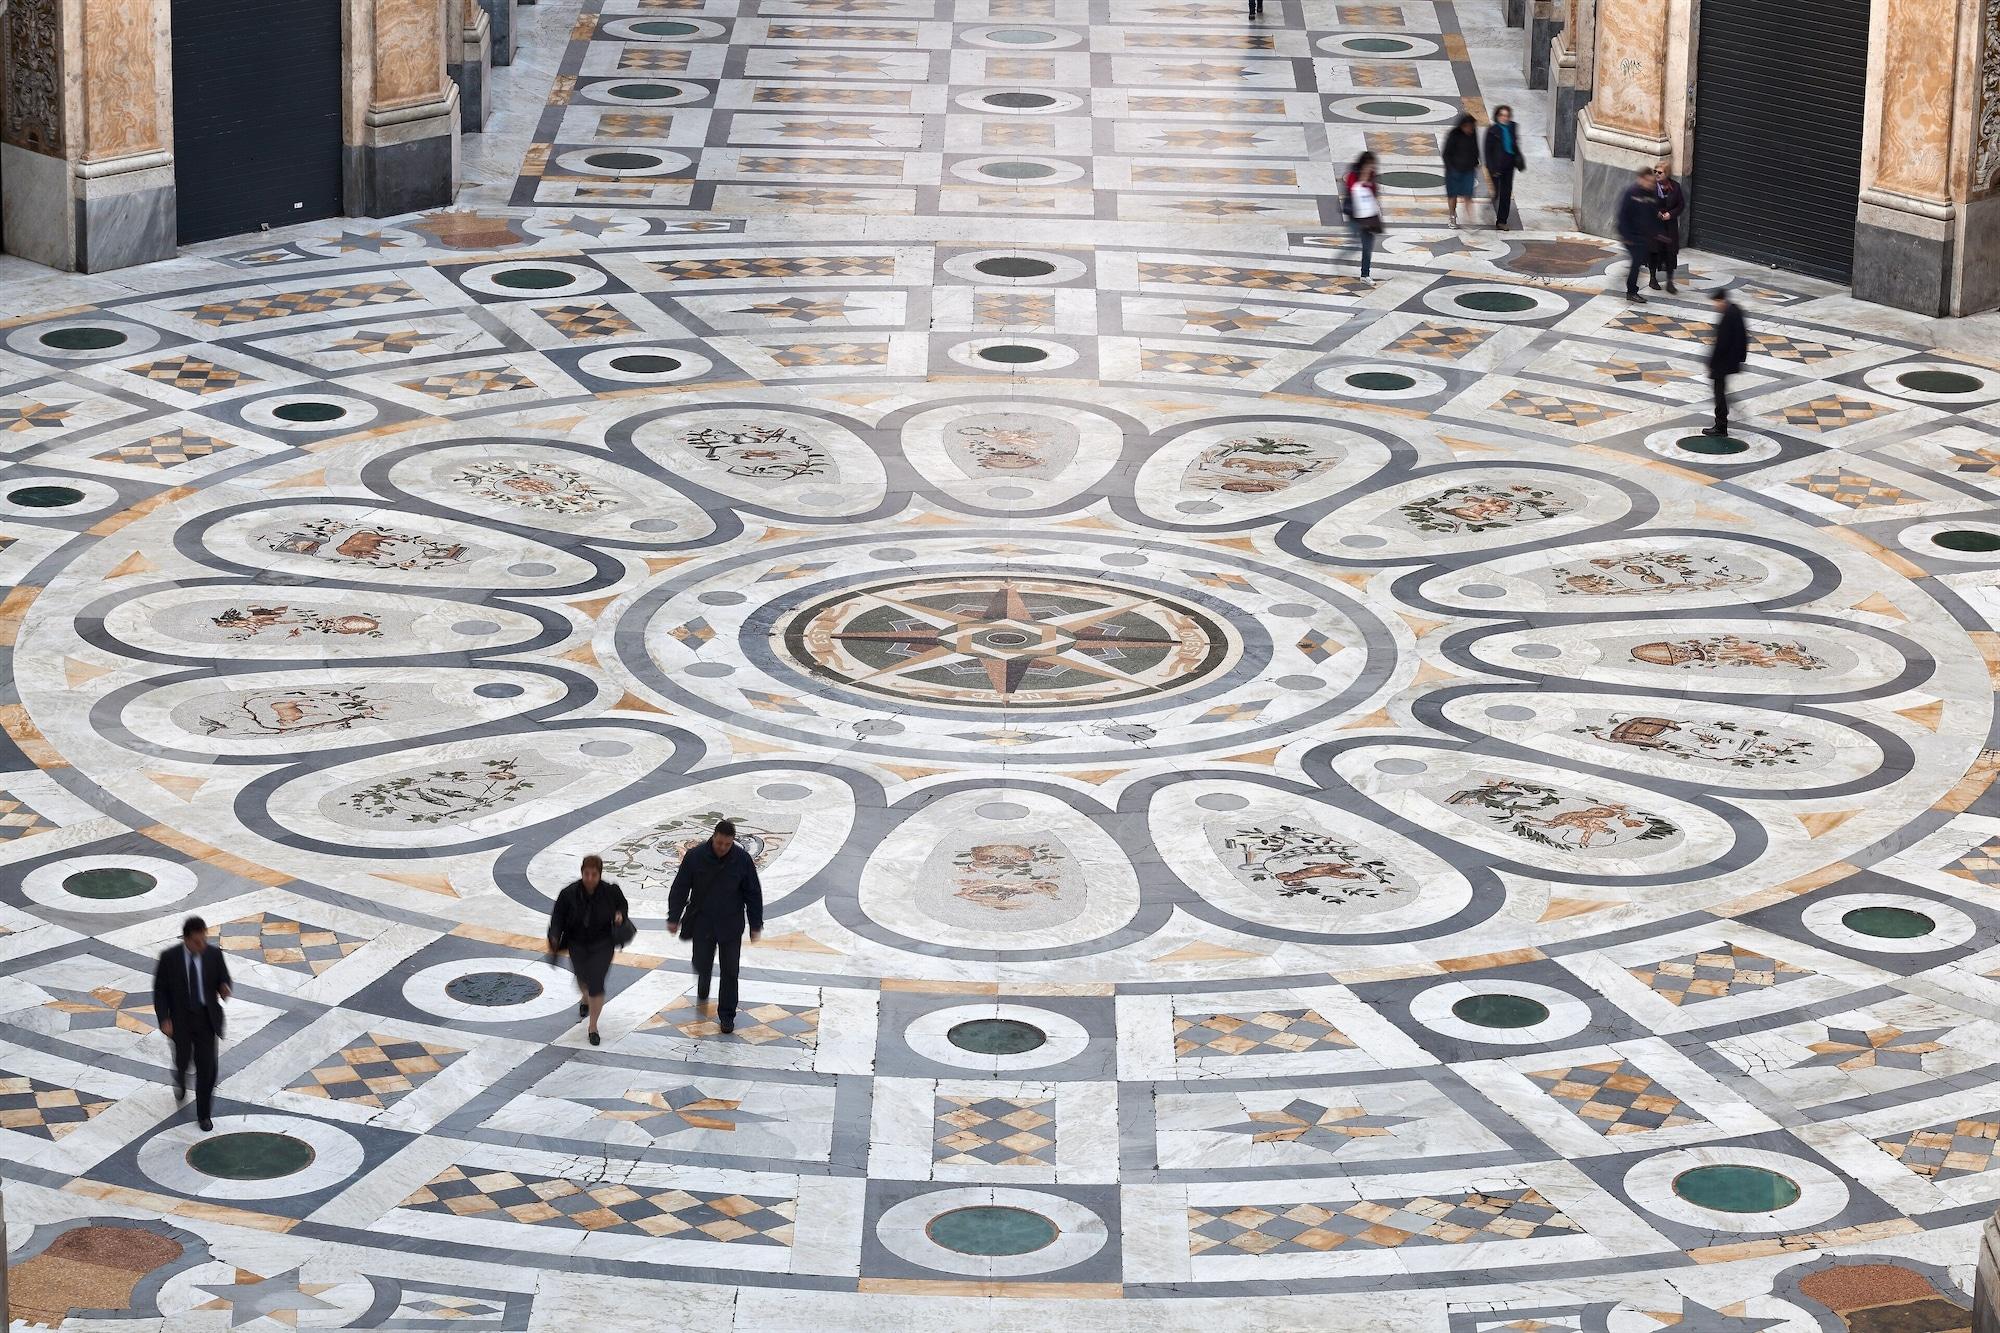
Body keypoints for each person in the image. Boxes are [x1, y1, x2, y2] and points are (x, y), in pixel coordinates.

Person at [666, 818, 764, 1035]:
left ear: (732, 842)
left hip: (730, 924)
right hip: (703, 922)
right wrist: (674, 917)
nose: (722, 848)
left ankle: (727, 1016)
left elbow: (753, 894)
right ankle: (704, 976)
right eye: (719, 843)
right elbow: (680, 888)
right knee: (701, 961)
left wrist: (755, 924)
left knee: (730, 971)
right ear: (713, 837)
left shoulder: (742, 860)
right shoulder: (695, 857)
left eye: (727, 844)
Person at [153, 916, 231, 1132]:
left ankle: (204, 1114)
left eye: (204, 940)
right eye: (197, 942)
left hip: (206, 1020)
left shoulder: (213, 954)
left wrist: (224, 987)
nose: (202, 945)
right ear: (186, 939)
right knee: (183, 1058)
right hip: (180, 1021)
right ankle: (179, 1074)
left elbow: (223, 977)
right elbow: (160, 991)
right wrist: (164, 1018)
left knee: (208, 1069)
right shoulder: (169, 958)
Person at [546, 854, 629, 1046]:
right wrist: (554, 936)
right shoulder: (568, 894)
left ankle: (593, 1026)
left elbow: (622, 905)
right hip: (577, 943)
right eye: (586, 874)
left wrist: (619, 915)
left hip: (603, 943)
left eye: (594, 874)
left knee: (596, 982)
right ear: (581, 873)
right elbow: (558, 917)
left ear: (600, 874)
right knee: (583, 978)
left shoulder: (610, 891)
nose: (590, 878)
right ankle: (585, 997)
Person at [1705, 287, 1748, 437]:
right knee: (1721, 391)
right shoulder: (1735, 311)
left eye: (1716, 302)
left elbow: (1722, 344)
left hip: (1723, 363)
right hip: (1729, 362)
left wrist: (1712, 362)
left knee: (1719, 393)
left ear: (1720, 300)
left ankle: (1721, 425)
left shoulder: (1729, 314)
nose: (1715, 306)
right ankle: (1721, 422)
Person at [1616, 166, 1659, 303]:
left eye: (1653, 182)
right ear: (1641, 179)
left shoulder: (1651, 194)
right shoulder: (1632, 193)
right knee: (1636, 263)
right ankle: (1631, 291)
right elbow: (1623, 216)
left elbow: (1652, 214)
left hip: (1644, 236)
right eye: (1648, 181)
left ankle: (1632, 289)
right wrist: (1626, 236)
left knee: (1638, 262)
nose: (1651, 184)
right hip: (1632, 237)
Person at [1483, 105, 1526, 230]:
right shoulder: (1492, 131)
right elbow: (1487, 151)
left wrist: (1518, 158)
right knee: (1497, 191)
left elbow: (1515, 144)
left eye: (1506, 115)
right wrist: (1491, 168)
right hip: (1496, 167)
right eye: (1502, 115)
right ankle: (1494, 197)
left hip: (1509, 165)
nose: (1504, 118)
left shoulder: (1512, 127)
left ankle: (1501, 221)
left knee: (1506, 193)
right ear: (1497, 116)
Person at [1344, 152, 1383, 281]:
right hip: (1355, 215)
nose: (1372, 167)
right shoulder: (1353, 175)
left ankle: (1365, 274)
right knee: (1356, 244)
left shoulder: (1372, 175)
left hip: (1368, 216)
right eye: (1370, 164)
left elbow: (1374, 193)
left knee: (1367, 245)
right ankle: (1345, 254)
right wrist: (1363, 180)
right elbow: (1352, 190)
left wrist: (1369, 181)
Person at [1649, 158, 1687, 292]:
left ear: (1667, 174)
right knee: (1654, 251)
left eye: (1660, 172)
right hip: (1655, 225)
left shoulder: (1675, 187)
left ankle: (1670, 281)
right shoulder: (1651, 186)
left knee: (1670, 252)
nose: (1657, 175)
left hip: (1669, 226)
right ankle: (1652, 278)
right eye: (1655, 172)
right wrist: (1657, 213)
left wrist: (1671, 214)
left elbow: (1681, 204)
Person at [1442, 113, 1481, 227]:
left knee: (1468, 195)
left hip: (1468, 170)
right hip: (1454, 170)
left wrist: (1475, 162)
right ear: (1463, 126)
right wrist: (1450, 168)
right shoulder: (1453, 135)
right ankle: (1452, 216)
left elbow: (1475, 148)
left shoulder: (1473, 134)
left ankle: (1471, 221)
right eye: (1468, 127)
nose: (1470, 129)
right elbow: (1446, 154)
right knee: (1452, 195)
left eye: (1472, 127)